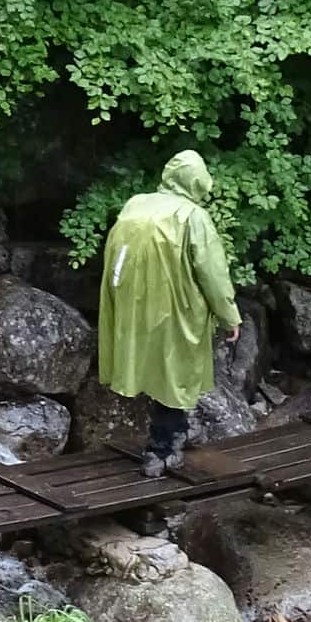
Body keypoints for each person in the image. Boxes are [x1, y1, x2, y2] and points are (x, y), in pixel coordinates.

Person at [96, 149, 242, 478]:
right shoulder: (192, 216)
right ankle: (162, 448)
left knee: (153, 368)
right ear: (199, 181)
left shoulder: (136, 204)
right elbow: (212, 273)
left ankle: (173, 432)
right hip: (176, 307)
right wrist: (229, 315)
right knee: (175, 371)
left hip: (133, 304)